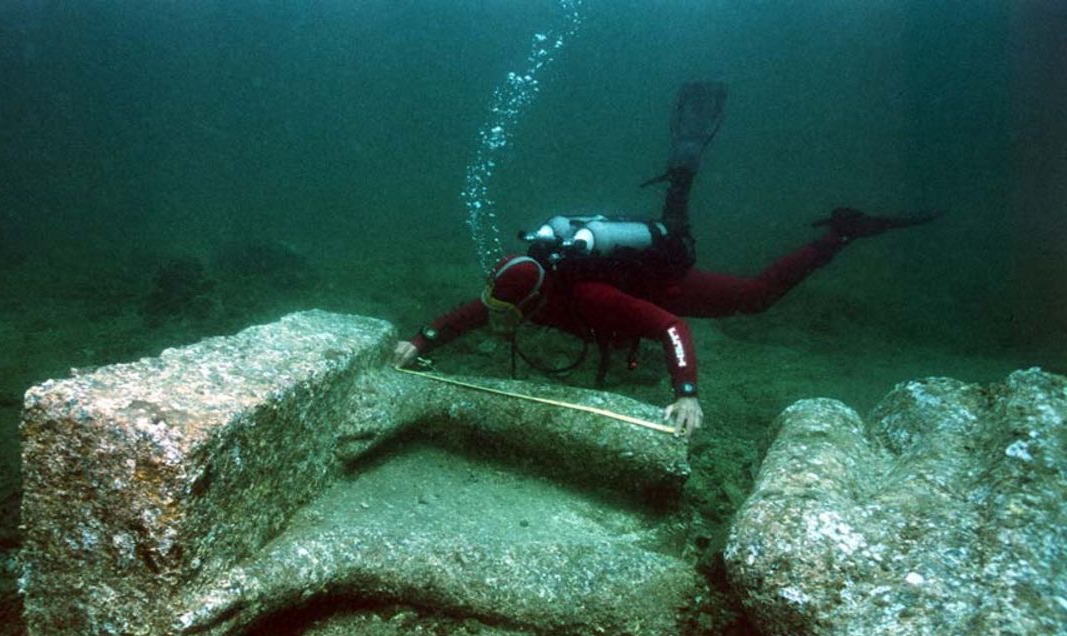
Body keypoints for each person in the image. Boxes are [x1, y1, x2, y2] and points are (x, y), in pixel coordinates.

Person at [394, 83, 938, 437]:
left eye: (506, 307)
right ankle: (681, 175)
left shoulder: (589, 295)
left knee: (755, 298)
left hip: (662, 285)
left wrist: (687, 394)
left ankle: (839, 236)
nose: (498, 315)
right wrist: (420, 341)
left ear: (535, 293)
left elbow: (672, 327)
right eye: (496, 303)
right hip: (636, 268)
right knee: (676, 227)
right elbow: (471, 312)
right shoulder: (519, 287)